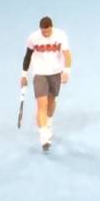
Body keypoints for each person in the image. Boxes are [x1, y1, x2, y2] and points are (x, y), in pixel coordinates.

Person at [19, 16, 72, 152]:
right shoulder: (33, 38)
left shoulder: (61, 35)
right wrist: (24, 75)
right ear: (40, 29)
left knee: (51, 101)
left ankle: (48, 123)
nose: (46, 34)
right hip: (39, 74)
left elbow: (67, 55)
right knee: (41, 104)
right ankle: (43, 136)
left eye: (48, 31)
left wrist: (66, 72)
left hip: (55, 73)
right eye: (44, 32)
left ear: (51, 28)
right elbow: (27, 56)